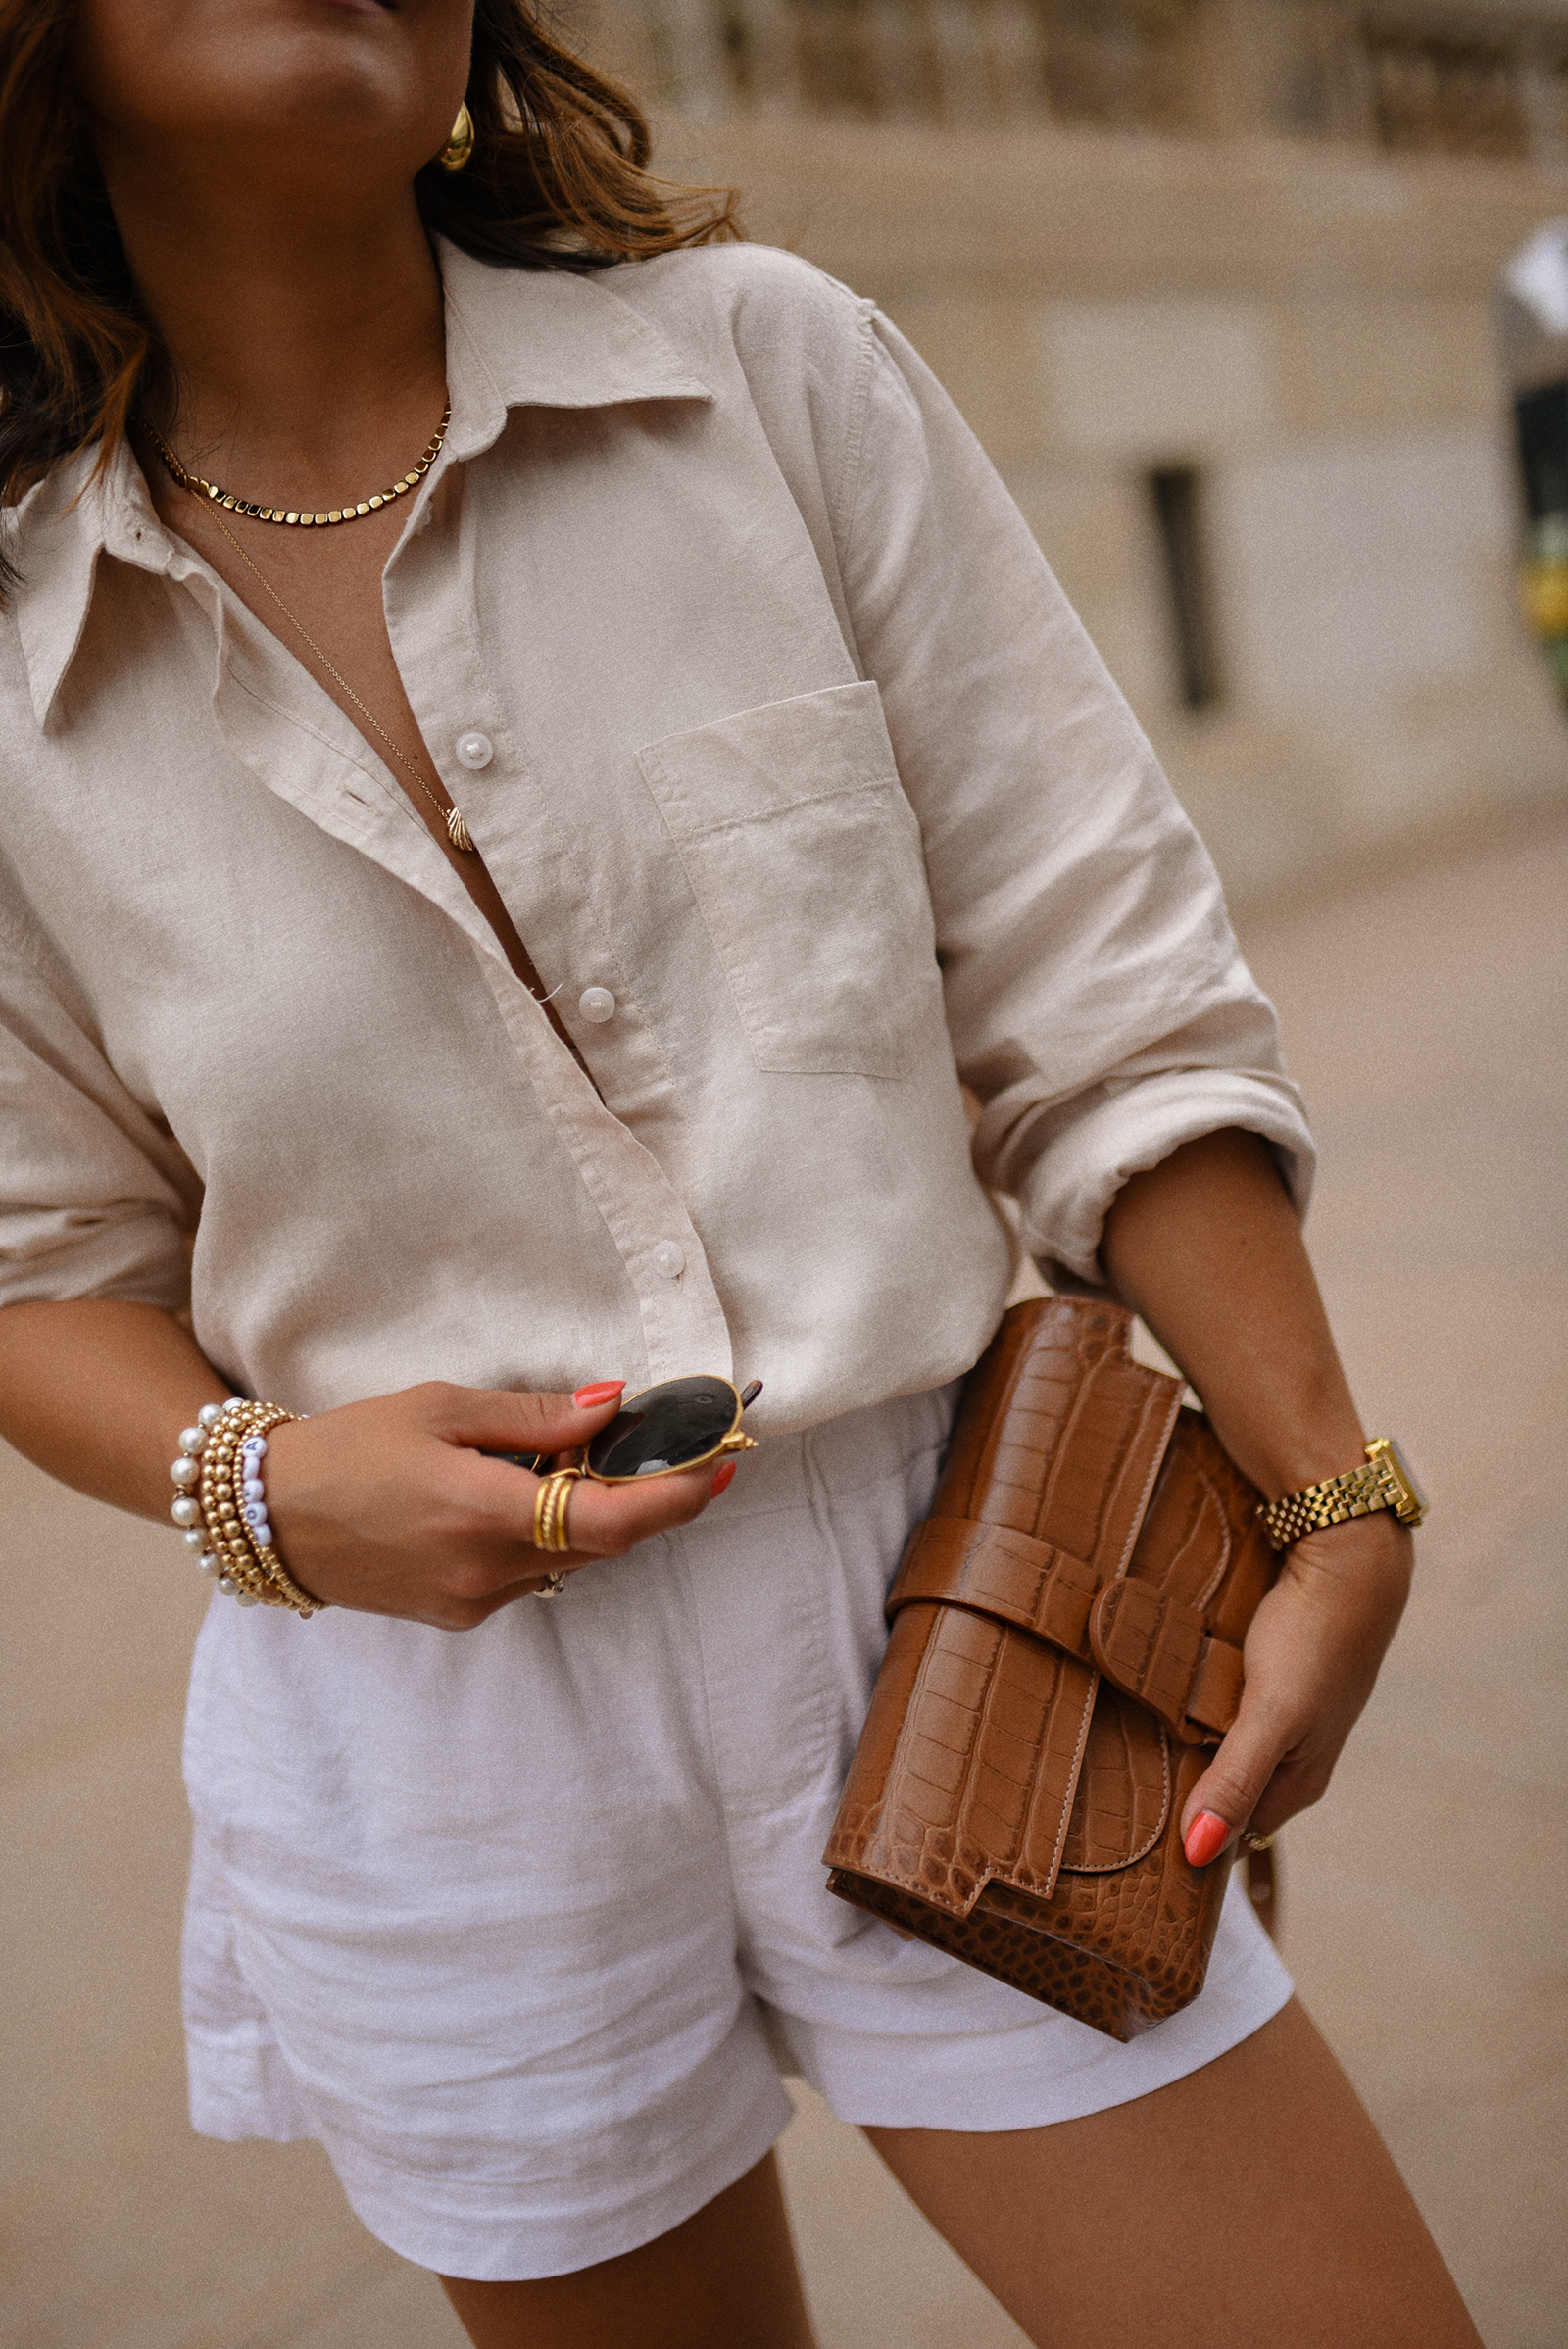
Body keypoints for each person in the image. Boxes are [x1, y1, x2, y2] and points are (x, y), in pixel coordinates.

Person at [0, 4, 1482, 2344]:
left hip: (966, 1597)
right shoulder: (12, 650)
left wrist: (1331, 1487)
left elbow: (1094, 989)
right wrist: (262, 1482)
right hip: (435, 1732)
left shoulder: (761, 376)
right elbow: (38, 1261)